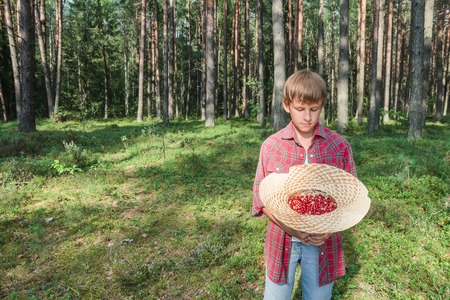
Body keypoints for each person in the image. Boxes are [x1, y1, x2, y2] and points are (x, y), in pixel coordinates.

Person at [252, 69, 357, 300]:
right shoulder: (272, 146)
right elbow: (261, 201)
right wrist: (292, 228)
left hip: (323, 243)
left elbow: (351, 198)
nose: (307, 117)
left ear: (322, 105)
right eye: (300, 109)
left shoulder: (338, 147)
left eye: (314, 109)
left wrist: (327, 230)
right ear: (287, 105)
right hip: (282, 239)